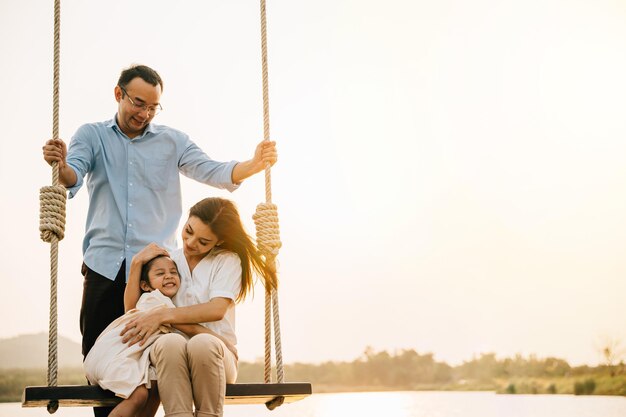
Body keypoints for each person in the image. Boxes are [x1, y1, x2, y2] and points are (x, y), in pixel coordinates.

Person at [41, 64, 276, 416]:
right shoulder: (91, 135)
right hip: (103, 268)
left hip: (156, 274)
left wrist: (252, 165)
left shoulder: (172, 141)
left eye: (153, 107)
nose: (145, 113)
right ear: (119, 94)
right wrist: (59, 166)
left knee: (154, 367)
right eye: (138, 103)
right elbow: (73, 175)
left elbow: (211, 169)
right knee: (105, 367)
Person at [120, 197, 278, 417]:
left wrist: (163, 316)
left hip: (216, 357)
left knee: (203, 343)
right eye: (188, 231)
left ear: (218, 242)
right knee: (169, 342)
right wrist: (137, 263)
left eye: (203, 241)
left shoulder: (227, 260)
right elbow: (134, 313)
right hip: (174, 359)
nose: (191, 242)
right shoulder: (169, 262)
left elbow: (216, 310)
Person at [83, 254, 180, 417]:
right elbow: (187, 324)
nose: (168, 275)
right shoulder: (155, 300)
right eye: (160, 273)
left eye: (173, 272)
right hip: (112, 358)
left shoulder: (155, 301)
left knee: (155, 386)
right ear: (145, 286)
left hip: (119, 359)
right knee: (139, 395)